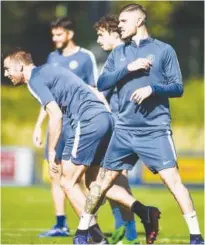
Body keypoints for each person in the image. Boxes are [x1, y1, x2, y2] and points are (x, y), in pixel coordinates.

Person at [74, 4, 204, 245]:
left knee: (174, 183)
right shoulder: (119, 53)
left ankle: (196, 237)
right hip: (123, 130)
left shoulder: (164, 50)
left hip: (155, 130)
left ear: (139, 21)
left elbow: (178, 87)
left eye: (124, 21)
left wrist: (152, 89)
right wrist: (128, 69)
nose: (119, 25)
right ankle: (81, 233)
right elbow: (102, 82)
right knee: (100, 183)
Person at [4, 48, 160, 245]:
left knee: (67, 182)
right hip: (104, 118)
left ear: (20, 65)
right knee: (95, 183)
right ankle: (145, 211)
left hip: (88, 121)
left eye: (8, 69)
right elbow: (90, 89)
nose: (6, 74)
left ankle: (94, 237)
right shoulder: (51, 69)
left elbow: (56, 115)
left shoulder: (35, 79)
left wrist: (52, 151)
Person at [32, 16, 98, 237]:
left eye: (58, 34)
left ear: (70, 34)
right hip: (56, 124)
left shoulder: (85, 58)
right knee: (55, 174)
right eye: (53, 34)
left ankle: (89, 222)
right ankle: (60, 223)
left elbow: (93, 89)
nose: (55, 38)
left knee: (76, 177)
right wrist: (38, 126)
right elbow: (48, 98)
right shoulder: (52, 58)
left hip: (78, 123)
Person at [95, 15, 138, 244]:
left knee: (113, 179)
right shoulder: (118, 56)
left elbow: (105, 89)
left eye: (101, 34)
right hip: (117, 125)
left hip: (121, 126)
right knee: (110, 180)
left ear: (114, 33)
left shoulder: (123, 55)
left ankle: (129, 234)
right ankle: (123, 232)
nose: (98, 39)